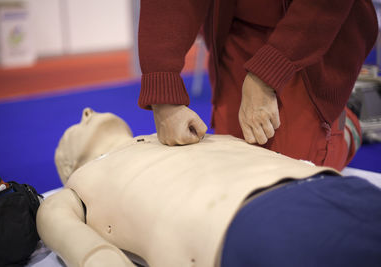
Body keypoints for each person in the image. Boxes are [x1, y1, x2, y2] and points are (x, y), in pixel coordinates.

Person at [36, 108, 381, 267]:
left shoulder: (175, 131)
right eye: (72, 131)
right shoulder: (76, 190)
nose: (86, 110)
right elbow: (91, 254)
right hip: (253, 225)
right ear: (69, 170)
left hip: (332, 186)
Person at [137, 0, 379, 171]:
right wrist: (163, 93)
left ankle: (347, 126)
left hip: (314, 28)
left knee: (295, 172)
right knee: (234, 163)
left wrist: (265, 77)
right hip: (239, 25)